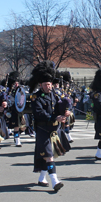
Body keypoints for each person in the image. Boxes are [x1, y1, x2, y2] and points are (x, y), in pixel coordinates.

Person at [29, 61, 69, 192]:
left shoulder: (54, 94)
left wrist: (65, 112)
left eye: (50, 83)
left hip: (54, 129)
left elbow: (60, 106)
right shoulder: (36, 97)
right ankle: (55, 181)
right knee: (49, 155)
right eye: (46, 84)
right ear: (40, 85)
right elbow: (39, 113)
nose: (49, 86)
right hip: (43, 129)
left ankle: (42, 178)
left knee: (48, 155)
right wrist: (54, 117)